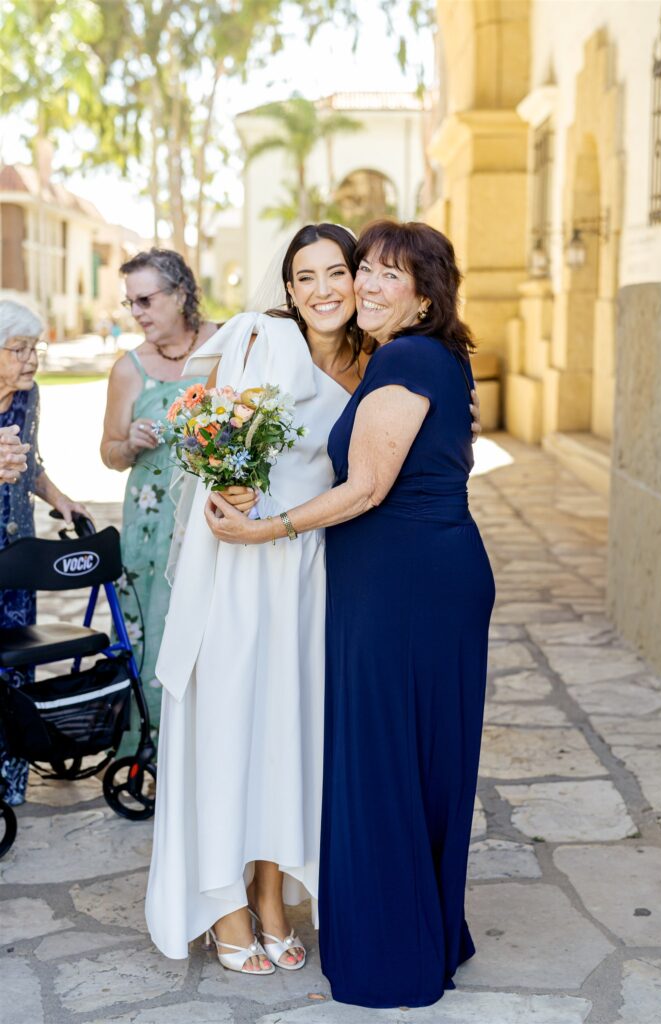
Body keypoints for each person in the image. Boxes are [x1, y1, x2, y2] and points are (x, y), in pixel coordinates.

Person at [204, 220, 495, 1008]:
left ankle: (395, 952)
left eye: (384, 276)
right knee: (416, 761)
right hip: (419, 579)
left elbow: (365, 487)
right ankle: (427, 932)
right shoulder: (429, 355)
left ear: (425, 293)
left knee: (386, 762)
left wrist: (263, 529)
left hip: (406, 587)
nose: (363, 285)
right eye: (361, 269)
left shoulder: (403, 357)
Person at [146, 223, 370, 974]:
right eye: (303, 278)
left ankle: (272, 895)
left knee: (288, 732)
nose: (321, 291)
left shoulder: (377, 363)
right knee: (230, 726)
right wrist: (227, 483)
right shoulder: (260, 341)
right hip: (243, 564)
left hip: (310, 568)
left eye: (334, 272)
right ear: (287, 290)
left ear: (357, 276)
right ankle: (224, 901)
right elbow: (216, 446)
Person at [100, 249, 221, 751]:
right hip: (149, 532)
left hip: (214, 522)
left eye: (146, 299)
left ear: (181, 294)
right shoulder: (128, 369)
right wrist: (130, 443)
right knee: (149, 626)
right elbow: (108, 452)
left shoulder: (228, 346)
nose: (138, 313)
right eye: (131, 303)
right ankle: (144, 747)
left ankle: (207, 747)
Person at [0, 300, 88, 805]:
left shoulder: (28, 399)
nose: (31, 359)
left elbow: (30, 464)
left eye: (36, 348)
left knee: (15, 661)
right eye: (19, 349)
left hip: (17, 553)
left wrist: (61, 500)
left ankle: (11, 775)